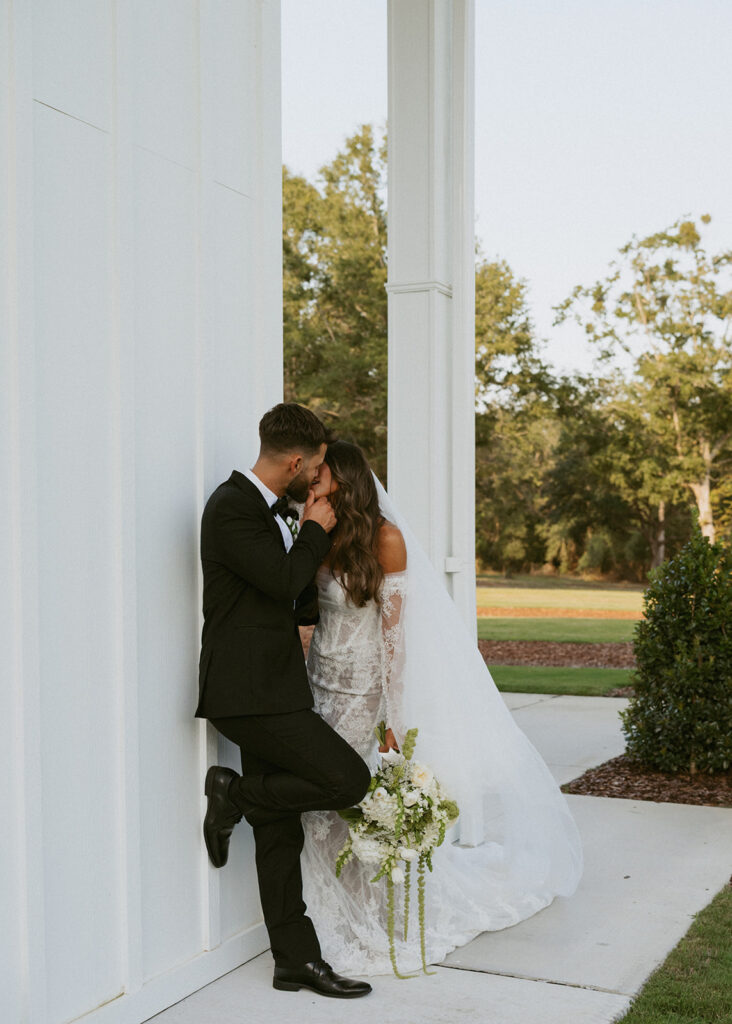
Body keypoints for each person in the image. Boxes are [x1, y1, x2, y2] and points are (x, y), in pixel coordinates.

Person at [298, 440, 584, 976]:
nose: (311, 483)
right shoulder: (317, 531)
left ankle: (365, 913)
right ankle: (320, 910)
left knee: (349, 802)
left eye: (321, 475)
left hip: (363, 694)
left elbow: (393, 638)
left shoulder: (386, 540)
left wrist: (393, 716)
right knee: (316, 804)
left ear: (348, 480)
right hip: (318, 687)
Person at [196, 404, 373, 999]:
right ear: (296, 462)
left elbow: (285, 597)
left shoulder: (270, 509)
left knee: (280, 831)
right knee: (349, 779)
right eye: (317, 467)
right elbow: (281, 579)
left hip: (272, 687)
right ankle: (234, 793)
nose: (317, 480)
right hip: (248, 694)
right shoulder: (231, 507)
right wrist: (318, 528)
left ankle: (295, 960)